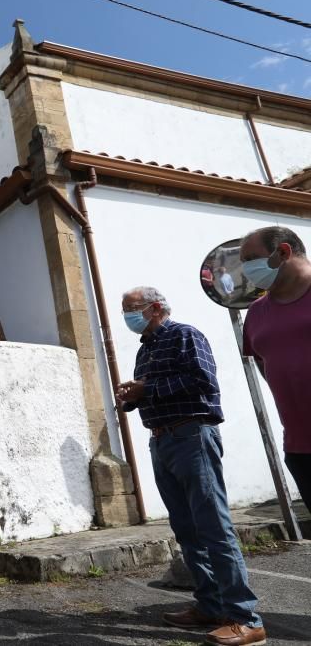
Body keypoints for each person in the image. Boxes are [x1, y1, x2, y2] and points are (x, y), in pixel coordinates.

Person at [115, 286, 265, 646]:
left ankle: (246, 618)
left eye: (130, 309)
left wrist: (147, 389)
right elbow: (154, 389)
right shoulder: (146, 349)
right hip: (162, 439)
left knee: (213, 526)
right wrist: (132, 397)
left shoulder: (185, 335)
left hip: (192, 436)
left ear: (154, 308)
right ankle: (210, 605)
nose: (126, 317)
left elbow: (202, 381)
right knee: (186, 528)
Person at [241, 226, 311, 508]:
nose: (246, 269)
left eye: (250, 259)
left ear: (283, 252)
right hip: (300, 448)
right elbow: (262, 361)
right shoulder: (256, 312)